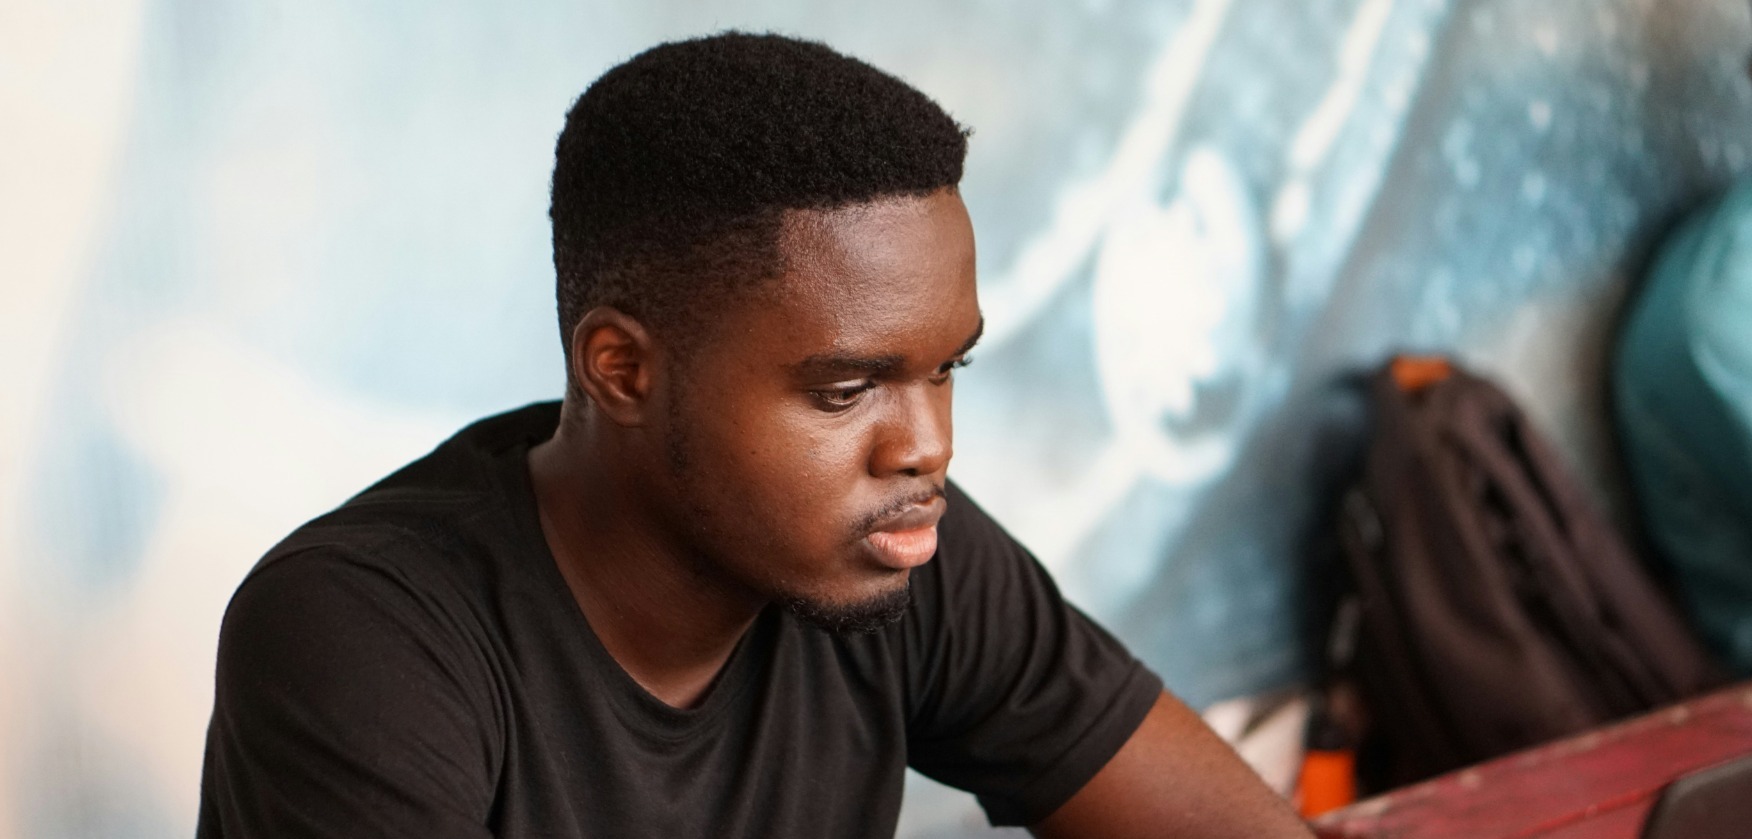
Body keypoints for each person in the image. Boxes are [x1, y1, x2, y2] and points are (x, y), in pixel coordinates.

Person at [196, 31, 1312, 838]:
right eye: (846, 389)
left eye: (946, 368)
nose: (925, 446)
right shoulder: (366, 635)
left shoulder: (898, 545)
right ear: (622, 369)